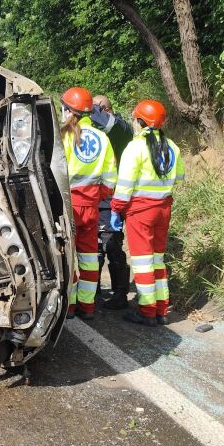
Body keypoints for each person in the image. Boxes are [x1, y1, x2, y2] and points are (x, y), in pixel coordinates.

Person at [110, 100, 184, 326]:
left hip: (140, 212)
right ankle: (162, 309)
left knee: (142, 263)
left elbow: (124, 185)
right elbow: (179, 178)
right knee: (157, 261)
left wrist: (116, 209)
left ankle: (147, 311)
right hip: (163, 209)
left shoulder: (135, 147)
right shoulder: (172, 146)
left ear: (140, 121)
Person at [60, 87, 117, 320]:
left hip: (69, 207)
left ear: (67, 110)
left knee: (69, 258)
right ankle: (88, 307)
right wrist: (97, 196)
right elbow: (111, 177)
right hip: (92, 206)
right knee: (90, 257)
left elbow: (55, 174)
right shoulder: (103, 138)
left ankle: (71, 307)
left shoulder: (63, 136)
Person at [90, 95, 133, 310]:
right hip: (95, 198)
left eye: (97, 109)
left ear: (104, 109)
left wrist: (87, 108)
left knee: (112, 245)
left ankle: (120, 294)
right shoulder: (97, 133)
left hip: (112, 200)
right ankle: (93, 292)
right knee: (94, 248)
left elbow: (108, 123)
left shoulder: (121, 129)